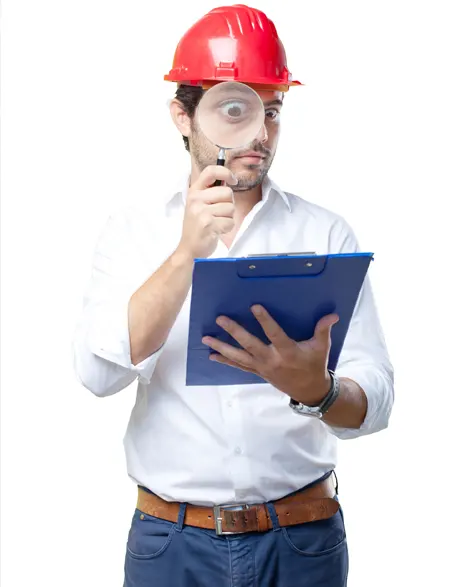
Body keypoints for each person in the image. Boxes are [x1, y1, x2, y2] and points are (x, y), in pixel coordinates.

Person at [72, 4, 394, 586]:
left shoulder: (324, 234)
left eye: (272, 112)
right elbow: (98, 376)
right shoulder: (131, 232)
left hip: (304, 544)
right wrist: (184, 256)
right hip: (171, 548)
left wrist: (317, 391)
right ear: (183, 115)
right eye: (237, 110)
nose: (260, 134)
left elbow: (376, 399)